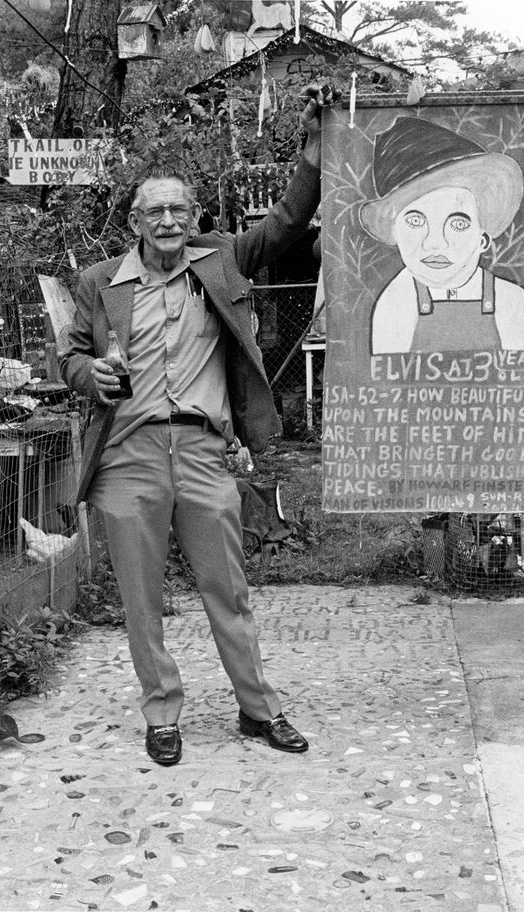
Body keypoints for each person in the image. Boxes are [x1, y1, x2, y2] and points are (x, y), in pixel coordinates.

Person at [60, 89, 326, 766]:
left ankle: (257, 710)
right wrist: (90, 375)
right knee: (142, 597)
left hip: (206, 451)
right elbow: (67, 356)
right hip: (128, 454)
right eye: (155, 211)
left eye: (179, 209)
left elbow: (287, 225)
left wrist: (314, 158)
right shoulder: (98, 282)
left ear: (194, 217)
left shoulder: (222, 262)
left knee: (227, 590)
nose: (169, 219)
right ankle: (162, 713)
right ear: (136, 222)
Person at [359, 117, 524, 354]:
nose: (434, 243)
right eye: (415, 221)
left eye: (458, 224)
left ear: (482, 239)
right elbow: (388, 384)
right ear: (395, 232)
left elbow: (520, 380)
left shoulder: (510, 300)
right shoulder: (395, 301)